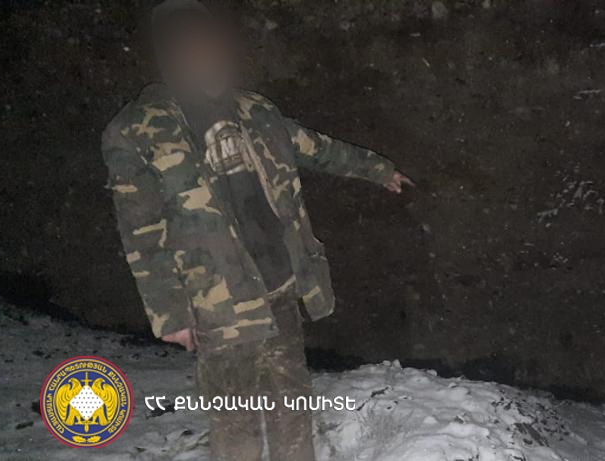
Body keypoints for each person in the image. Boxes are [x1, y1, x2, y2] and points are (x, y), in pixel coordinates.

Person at [101, 1, 414, 459]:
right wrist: (170, 314)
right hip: (219, 305)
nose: (205, 54)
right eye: (189, 46)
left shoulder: (257, 111)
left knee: (292, 408)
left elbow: (319, 148)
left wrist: (378, 169)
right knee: (236, 423)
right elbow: (141, 230)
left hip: (280, 287)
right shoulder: (137, 129)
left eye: (210, 44)